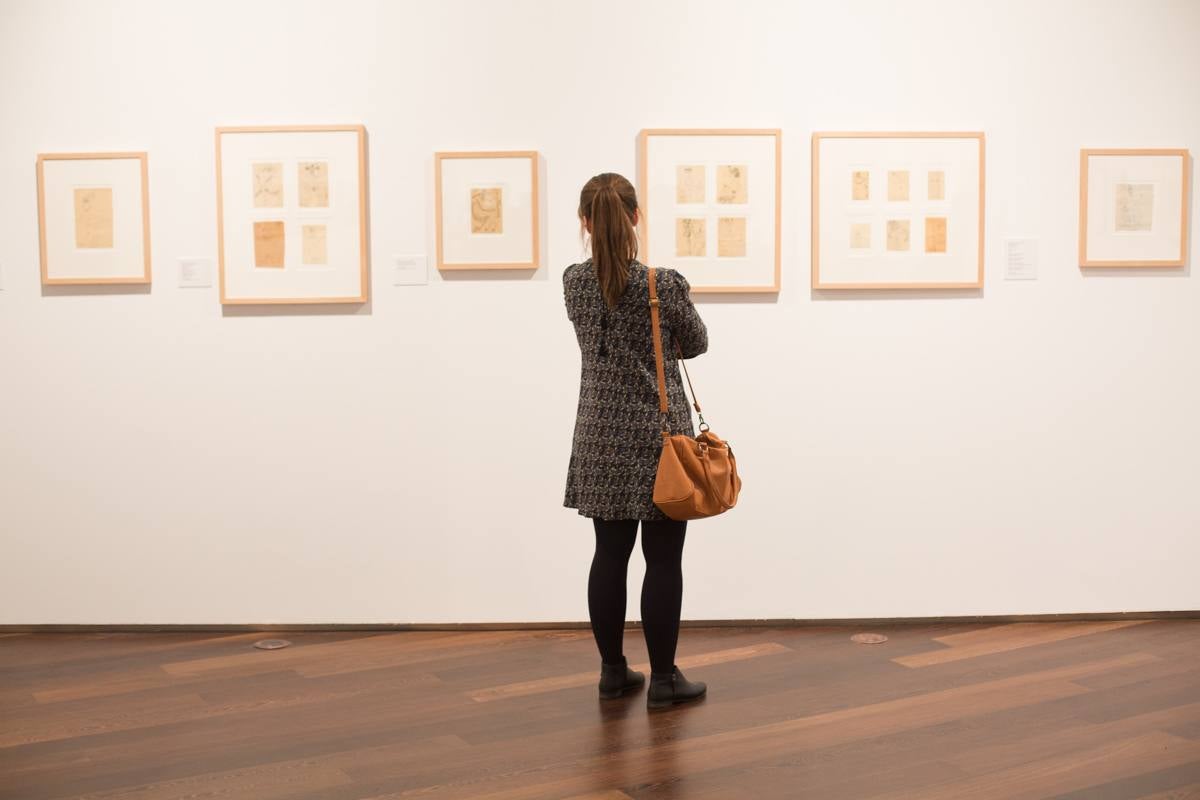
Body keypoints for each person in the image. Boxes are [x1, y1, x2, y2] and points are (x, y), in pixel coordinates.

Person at [562, 172, 709, 710]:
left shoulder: (573, 282)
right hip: (658, 439)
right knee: (663, 561)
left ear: (584, 222)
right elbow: (697, 343)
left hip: (600, 437)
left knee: (608, 555)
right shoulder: (661, 283)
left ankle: (612, 673)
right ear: (636, 217)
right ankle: (665, 680)